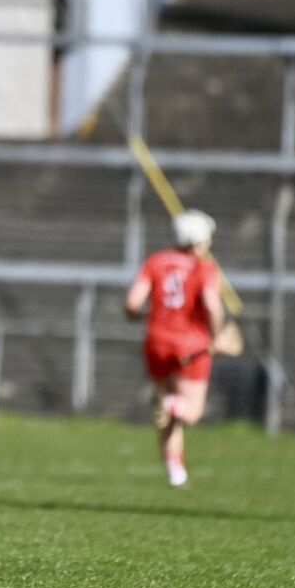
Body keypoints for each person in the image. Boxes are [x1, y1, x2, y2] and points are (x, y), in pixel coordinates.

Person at [125, 209, 225, 488]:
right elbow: (211, 304)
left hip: (156, 340)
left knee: (168, 416)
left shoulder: (155, 261)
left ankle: (176, 472)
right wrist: (216, 337)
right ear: (198, 240)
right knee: (189, 412)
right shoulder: (202, 267)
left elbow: (133, 304)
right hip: (191, 344)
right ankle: (169, 405)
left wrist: (147, 317)